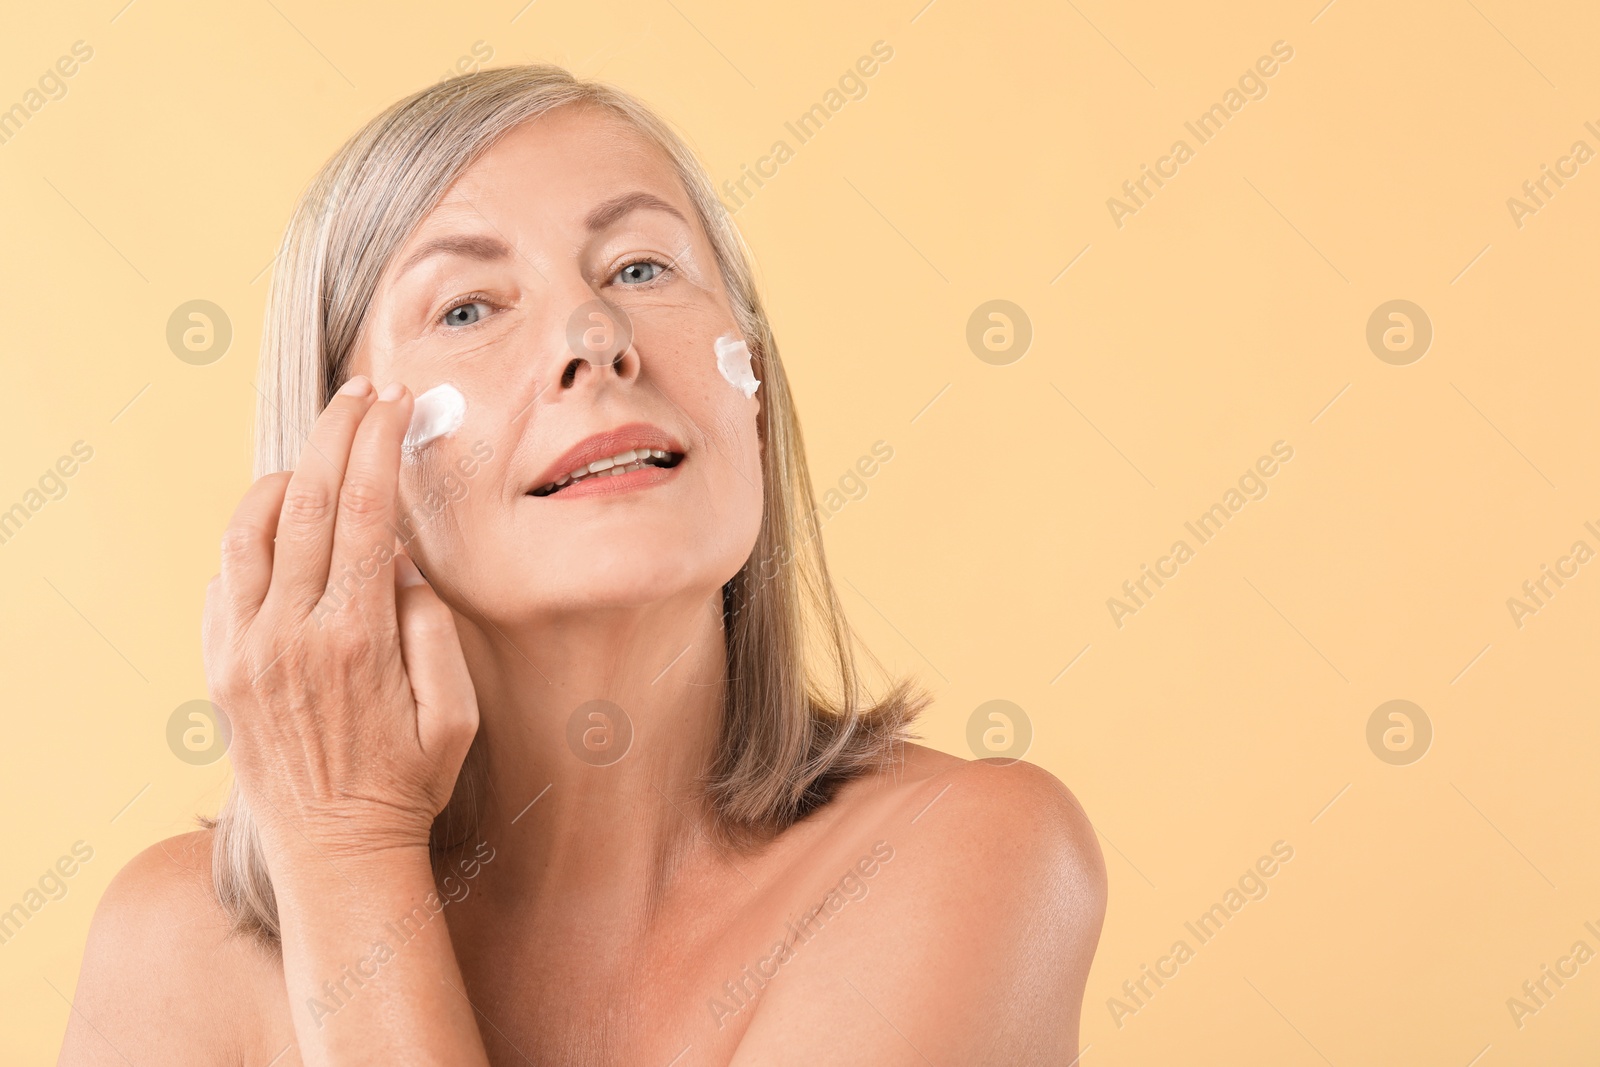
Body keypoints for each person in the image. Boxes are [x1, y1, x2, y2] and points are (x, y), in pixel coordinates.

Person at [60, 65, 1106, 1066]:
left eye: (640, 269)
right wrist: (339, 847)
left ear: (749, 380)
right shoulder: (171, 952)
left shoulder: (970, 855)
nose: (593, 334)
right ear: (333, 453)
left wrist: (347, 860)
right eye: (467, 306)